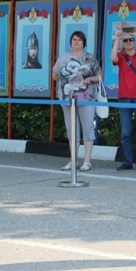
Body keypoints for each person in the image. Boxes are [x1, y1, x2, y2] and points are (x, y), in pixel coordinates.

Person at [52, 31, 101, 171]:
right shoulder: (63, 58)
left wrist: (89, 79)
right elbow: (54, 75)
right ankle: (73, 160)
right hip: (67, 98)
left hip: (86, 98)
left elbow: (99, 76)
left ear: (83, 42)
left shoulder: (89, 58)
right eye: (74, 39)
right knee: (71, 129)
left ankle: (87, 161)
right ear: (70, 41)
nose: (76, 42)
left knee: (87, 128)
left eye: (79, 40)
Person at [111, 25, 136, 171]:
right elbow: (112, 58)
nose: (128, 42)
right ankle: (127, 162)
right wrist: (117, 40)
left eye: (131, 40)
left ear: (134, 42)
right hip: (124, 97)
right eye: (126, 40)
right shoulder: (122, 58)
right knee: (125, 133)